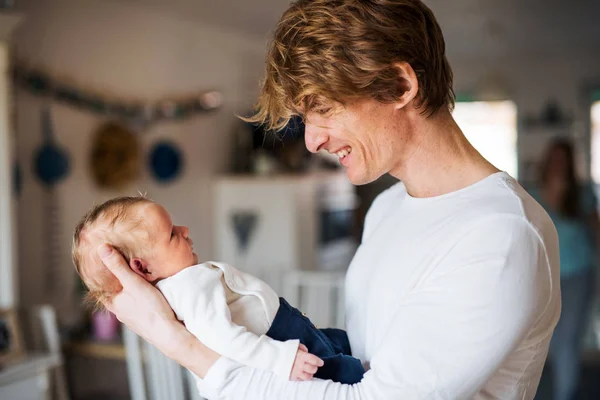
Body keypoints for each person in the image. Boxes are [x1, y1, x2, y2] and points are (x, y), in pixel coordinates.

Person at [96, 0, 561, 398]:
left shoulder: (500, 236)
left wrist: (173, 340)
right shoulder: (388, 207)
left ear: (400, 85)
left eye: (322, 109)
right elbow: (359, 366)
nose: (312, 141)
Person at [72, 196, 365, 393]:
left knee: (344, 345)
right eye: (172, 234)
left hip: (281, 334)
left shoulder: (172, 294)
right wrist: (281, 358)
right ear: (142, 268)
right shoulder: (191, 286)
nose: (185, 230)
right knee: (344, 371)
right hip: (277, 339)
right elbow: (225, 338)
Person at [529, 138, 599, 400]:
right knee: (552, 341)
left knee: (567, 339)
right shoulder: (533, 194)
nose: (558, 163)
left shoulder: (582, 194)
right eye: (554, 157)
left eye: (563, 158)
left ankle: (563, 394)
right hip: (546, 277)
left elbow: (596, 231)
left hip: (579, 273)